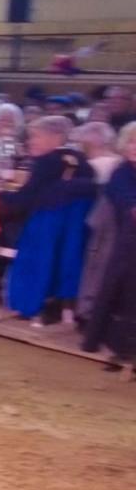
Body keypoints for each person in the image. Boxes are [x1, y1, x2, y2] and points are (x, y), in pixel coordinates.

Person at [0, 115, 96, 324]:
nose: (30, 142)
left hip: (45, 230)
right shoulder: (81, 159)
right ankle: (65, 309)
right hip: (71, 236)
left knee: (3, 230)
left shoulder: (46, 162)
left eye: (36, 137)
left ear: (56, 137)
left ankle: (27, 305)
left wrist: (0, 194)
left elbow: (25, 199)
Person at [82, 121, 136, 362]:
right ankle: (122, 348)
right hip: (128, 243)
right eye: (132, 141)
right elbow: (130, 206)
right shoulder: (122, 172)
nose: (135, 147)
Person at [74, 121, 121, 325]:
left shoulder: (94, 166)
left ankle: (85, 310)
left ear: (90, 142)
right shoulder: (119, 163)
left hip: (94, 229)